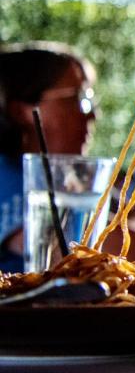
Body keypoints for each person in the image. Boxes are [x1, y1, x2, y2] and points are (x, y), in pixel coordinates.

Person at [0, 42, 98, 272]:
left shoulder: (62, 179)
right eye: (76, 98)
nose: (91, 114)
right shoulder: (8, 178)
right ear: (21, 111)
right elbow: (122, 247)